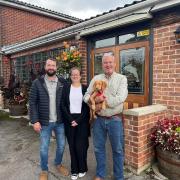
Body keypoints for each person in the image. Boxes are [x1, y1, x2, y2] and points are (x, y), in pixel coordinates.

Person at [84, 53, 128, 180]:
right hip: (98, 120)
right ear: (102, 64)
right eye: (105, 62)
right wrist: (94, 102)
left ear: (115, 63)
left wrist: (103, 101)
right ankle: (100, 174)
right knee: (98, 148)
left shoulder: (122, 78)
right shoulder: (96, 78)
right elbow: (86, 95)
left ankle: (119, 176)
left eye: (110, 62)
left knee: (118, 150)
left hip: (115, 119)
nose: (108, 65)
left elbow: (121, 98)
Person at [29, 58, 69, 180]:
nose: (51, 67)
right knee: (43, 148)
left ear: (56, 67)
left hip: (60, 121)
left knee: (62, 145)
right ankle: (44, 170)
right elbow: (32, 102)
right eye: (49, 65)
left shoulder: (62, 82)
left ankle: (58, 163)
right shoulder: (38, 82)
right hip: (44, 122)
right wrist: (35, 120)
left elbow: (67, 100)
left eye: (53, 65)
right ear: (45, 67)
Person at [61, 67, 90, 180]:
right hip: (69, 119)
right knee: (72, 146)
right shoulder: (66, 88)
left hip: (82, 120)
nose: (75, 76)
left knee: (81, 146)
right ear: (70, 76)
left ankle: (82, 168)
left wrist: (77, 121)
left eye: (77, 74)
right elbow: (62, 105)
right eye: (73, 74)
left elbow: (87, 108)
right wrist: (70, 119)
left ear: (80, 76)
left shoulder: (85, 88)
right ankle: (74, 170)